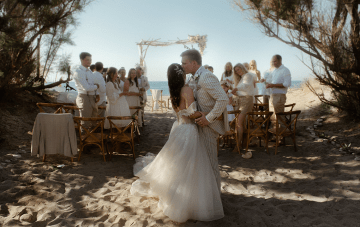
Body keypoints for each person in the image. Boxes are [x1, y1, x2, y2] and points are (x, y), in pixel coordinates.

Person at [130, 63, 224, 223]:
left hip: (178, 128)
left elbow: (181, 111)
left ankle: (175, 195)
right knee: (190, 166)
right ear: (182, 75)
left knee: (178, 165)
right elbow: (191, 113)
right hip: (188, 130)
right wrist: (206, 114)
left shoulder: (173, 91)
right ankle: (188, 201)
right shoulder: (186, 89)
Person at [181, 49, 228, 191]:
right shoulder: (192, 77)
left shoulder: (206, 76)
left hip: (209, 126)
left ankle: (215, 198)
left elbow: (223, 99)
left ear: (194, 63)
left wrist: (208, 118)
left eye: (184, 63)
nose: (182, 66)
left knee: (210, 163)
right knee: (203, 163)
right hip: (198, 125)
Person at [231, 63, 255, 153]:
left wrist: (236, 89)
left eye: (238, 69)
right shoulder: (241, 78)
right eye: (236, 71)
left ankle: (238, 145)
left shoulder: (248, 75)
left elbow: (246, 86)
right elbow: (243, 90)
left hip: (247, 100)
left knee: (239, 123)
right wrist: (236, 93)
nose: (237, 72)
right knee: (240, 123)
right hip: (241, 100)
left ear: (242, 68)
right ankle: (243, 143)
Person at [73, 52, 99, 128]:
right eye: (87, 60)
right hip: (84, 97)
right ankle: (84, 139)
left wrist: (97, 93)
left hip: (92, 97)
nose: (90, 61)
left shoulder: (90, 71)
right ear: (81, 60)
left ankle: (93, 139)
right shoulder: (79, 72)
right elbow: (86, 88)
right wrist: (97, 86)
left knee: (94, 121)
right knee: (85, 122)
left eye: (90, 59)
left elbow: (92, 84)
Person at [266, 54, 291, 127]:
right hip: (273, 96)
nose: (273, 63)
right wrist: (268, 83)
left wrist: (273, 85)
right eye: (272, 61)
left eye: (275, 61)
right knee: (277, 117)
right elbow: (273, 82)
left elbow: (287, 84)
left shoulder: (285, 70)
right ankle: (279, 133)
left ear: (280, 60)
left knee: (280, 117)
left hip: (280, 96)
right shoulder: (274, 71)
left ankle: (282, 134)